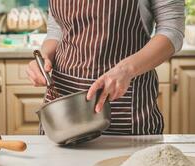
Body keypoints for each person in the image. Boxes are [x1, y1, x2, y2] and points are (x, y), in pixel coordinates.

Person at [27, 0, 185, 135]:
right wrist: (44, 57)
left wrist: (126, 70)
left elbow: (172, 30)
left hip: (124, 110)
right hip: (61, 105)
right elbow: (57, 30)